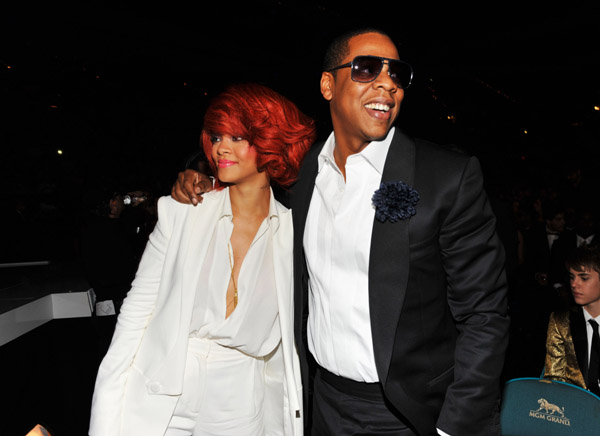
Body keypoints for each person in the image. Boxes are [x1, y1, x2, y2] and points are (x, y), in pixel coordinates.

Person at [173, 28, 509, 436]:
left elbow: (484, 315)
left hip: (412, 416)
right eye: (367, 68)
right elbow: (246, 189)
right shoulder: (302, 175)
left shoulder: (446, 177)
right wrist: (202, 180)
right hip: (322, 406)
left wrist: (454, 426)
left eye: (397, 73)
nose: (387, 83)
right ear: (328, 85)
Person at [89, 83, 316, 436]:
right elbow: (135, 316)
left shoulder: (294, 232)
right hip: (166, 392)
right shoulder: (183, 213)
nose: (221, 147)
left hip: (240, 402)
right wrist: (104, 421)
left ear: (270, 142)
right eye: (217, 136)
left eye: (237, 137)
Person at [544, 244, 600, 395]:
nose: (574, 284)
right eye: (571, 277)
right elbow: (554, 380)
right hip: (575, 403)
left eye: (584, 278)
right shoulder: (561, 321)